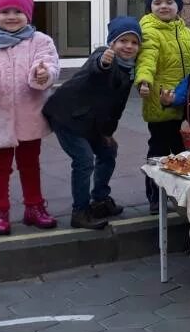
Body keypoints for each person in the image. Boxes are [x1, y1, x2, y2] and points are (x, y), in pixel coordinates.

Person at [0, 0, 61, 236]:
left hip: (30, 114)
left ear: (28, 15)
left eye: (18, 11)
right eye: (5, 12)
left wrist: (43, 74)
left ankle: (34, 207)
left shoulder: (41, 41)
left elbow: (50, 66)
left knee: (30, 164)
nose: (11, 16)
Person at [42, 18, 143, 231]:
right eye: (122, 41)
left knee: (108, 150)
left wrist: (107, 132)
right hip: (66, 116)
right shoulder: (102, 56)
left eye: (134, 42)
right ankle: (80, 211)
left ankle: (100, 200)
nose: (128, 46)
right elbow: (98, 67)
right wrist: (104, 61)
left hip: (89, 121)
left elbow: (117, 106)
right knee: (84, 159)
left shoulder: (130, 69)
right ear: (112, 44)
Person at [134, 0, 190, 213]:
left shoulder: (185, 31)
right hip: (159, 101)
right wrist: (143, 82)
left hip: (182, 101)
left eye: (169, 2)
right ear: (150, 7)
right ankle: (154, 197)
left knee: (181, 151)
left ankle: (180, 194)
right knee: (159, 152)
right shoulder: (149, 30)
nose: (163, 6)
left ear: (178, 6)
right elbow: (146, 59)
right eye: (157, 2)